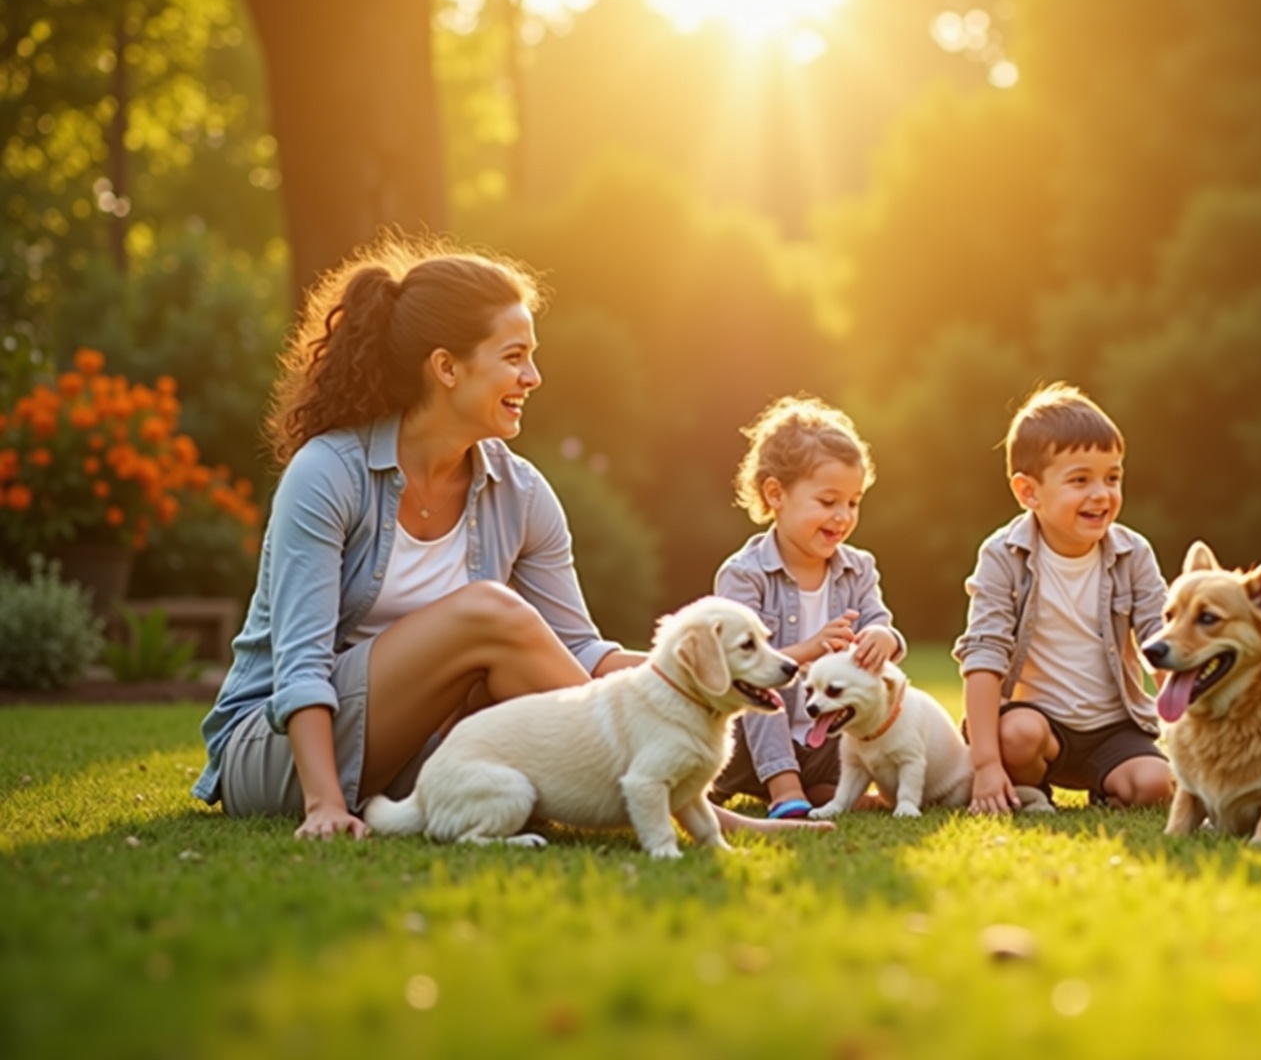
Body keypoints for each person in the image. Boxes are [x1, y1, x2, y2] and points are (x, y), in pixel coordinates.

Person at [191, 236, 828, 842]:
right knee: (487, 614)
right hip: (281, 755)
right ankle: (689, 809)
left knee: (495, 649)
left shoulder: (520, 492)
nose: (534, 377)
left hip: (412, 761)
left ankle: (690, 805)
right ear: (446, 367)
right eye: (514, 356)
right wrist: (325, 804)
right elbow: (301, 664)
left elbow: (577, 653)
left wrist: (715, 667)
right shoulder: (329, 474)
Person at [955, 383, 1174, 813]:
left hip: (1114, 730)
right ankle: (1029, 788)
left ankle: (1108, 787)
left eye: (1112, 477)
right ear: (1028, 492)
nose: (1101, 494)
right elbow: (983, 655)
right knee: (1017, 737)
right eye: (1080, 480)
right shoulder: (1002, 555)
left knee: (1155, 787)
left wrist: (1194, 733)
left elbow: (1163, 639)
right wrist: (985, 765)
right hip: (1040, 727)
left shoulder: (1133, 553)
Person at [710, 395, 905, 819]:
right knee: (761, 690)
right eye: (828, 502)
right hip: (749, 743)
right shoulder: (744, 574)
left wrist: (882, 637)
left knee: (877, 696)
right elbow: (736, 667)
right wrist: (808, 650)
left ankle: (833, 790)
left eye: (853, 502)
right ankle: (784, 789)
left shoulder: (859, 568)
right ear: (776, 494)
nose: (843, 516)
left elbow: (878, 620)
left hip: (823, 738)